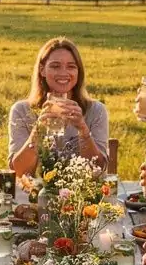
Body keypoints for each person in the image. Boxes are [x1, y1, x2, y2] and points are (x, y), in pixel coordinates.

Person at [9, 37, 109, 176]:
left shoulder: (96, 110)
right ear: (42, 70)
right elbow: (19, 171)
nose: (63, 73)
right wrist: (38, 131)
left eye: (71, 66)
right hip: (35, 195)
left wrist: (83, 130)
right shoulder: (22, 110)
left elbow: (98, 170)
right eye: (55, 66)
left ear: (78, 72)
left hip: (81, 195)